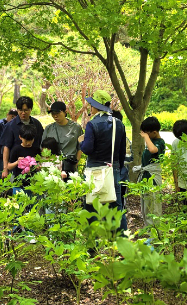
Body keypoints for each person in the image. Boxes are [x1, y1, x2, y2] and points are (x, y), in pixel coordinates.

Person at [79, 90, 127, 229]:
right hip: (113, 167)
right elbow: (121, 151)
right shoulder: (119, 123)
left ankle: (92, 243)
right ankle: (122, 240)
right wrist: (118, 166)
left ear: (96, 106)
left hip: (95, 168)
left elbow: (87, 149)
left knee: (91, 204)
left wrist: (81, 143)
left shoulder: (92, 124)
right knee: (116, 204)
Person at [1, 96, 44, 179]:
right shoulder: (10, 125)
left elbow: (41, 144)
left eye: (26, 110)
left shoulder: (36, 124)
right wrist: (5, 169)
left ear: (31, 109)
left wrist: (41, 162)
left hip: (34, 168)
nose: (23, 113)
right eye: (20, 110)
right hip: (16, 167)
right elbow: (6, 147)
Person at [42, 101, 83, 178]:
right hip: (53, 166)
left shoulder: (76, 128)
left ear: (65, 112)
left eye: (57, 113)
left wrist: (76, 162)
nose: (55, 116)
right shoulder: (49, 128)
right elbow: (43, 147)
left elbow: (80, 147)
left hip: (69, 164)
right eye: (53, 114)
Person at [139, 116, 166, 227]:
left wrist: (146, 138)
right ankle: (150, 231)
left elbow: (153, 150)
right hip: (146, 178)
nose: (145, 136)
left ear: (154, 132)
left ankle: (155, 234)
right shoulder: (151, 140)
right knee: (146, 207)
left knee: (154, 208)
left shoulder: (159, 142)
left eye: (147, 133)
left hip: (153, 179)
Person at [111, 110, 132, 231]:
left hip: (121, 177)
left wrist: (118, 161)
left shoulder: (125, 140)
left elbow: (130, 157)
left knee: (119, 203)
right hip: (111, 176)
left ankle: (120, 229)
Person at [8, 124, 42, 192]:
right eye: (26, 140)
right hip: (19, 185)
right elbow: (8, 166)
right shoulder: (16, 149)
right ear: (20, 137)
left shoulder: (36, 149)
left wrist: (38, 167)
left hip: (33, 185)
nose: (28, 143)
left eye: (31, 140)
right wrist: (17, 162)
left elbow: (39, 163)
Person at [0, 109, 18, 177]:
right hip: (0, 155)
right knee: (2, 175)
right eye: (12, 117)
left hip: (10, 155)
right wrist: (5, 143)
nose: (13, 119)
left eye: (15, 117)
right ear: (7, 115)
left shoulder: (14, 125)